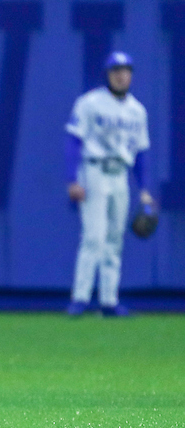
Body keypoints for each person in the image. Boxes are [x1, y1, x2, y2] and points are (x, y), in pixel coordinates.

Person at [64, 51, 153, 317]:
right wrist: (72, 179)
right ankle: (79, 299)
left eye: (125, 70)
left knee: (114, 239)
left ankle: (108, 301)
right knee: (93, 237)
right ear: (108, 74)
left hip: (120, 175)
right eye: (116, 70)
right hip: (94, 171)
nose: (121, 74)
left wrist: (145, 189)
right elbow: (73, 142)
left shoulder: (138, 110)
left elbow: (141, 153)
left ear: (131, 75)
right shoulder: (90, 103)